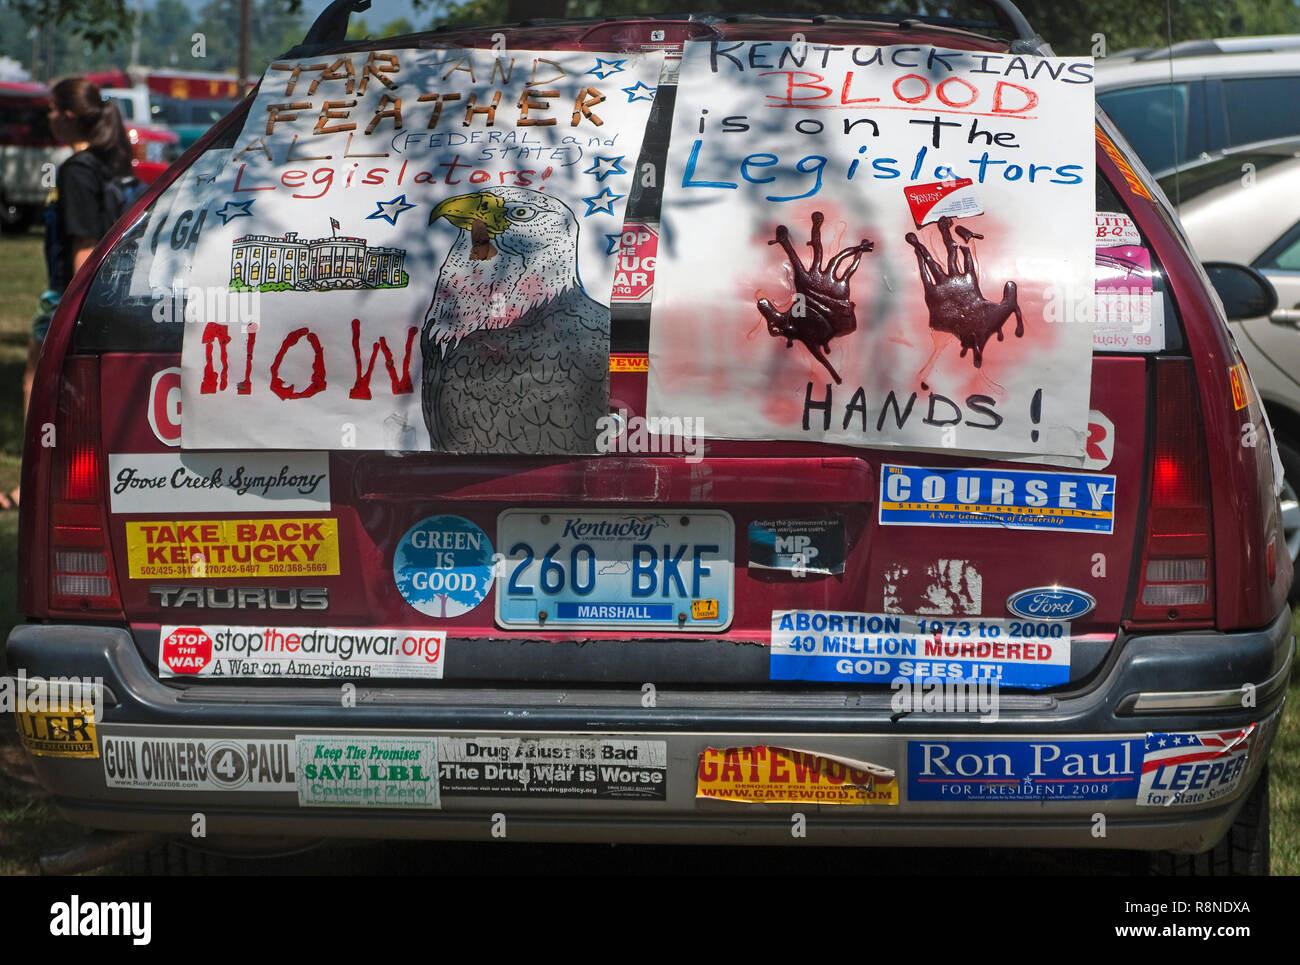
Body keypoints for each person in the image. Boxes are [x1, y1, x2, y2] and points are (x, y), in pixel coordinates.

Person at [6, 78, 132, 510]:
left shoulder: (76, 170)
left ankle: (36, 486)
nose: (47, 117)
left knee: (37, 387)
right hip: (90, 292)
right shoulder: (101, 163)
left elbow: (83, 244)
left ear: (68, 116)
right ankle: (70, 478)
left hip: (66, 294)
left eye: (52, 110)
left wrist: (78, 310)